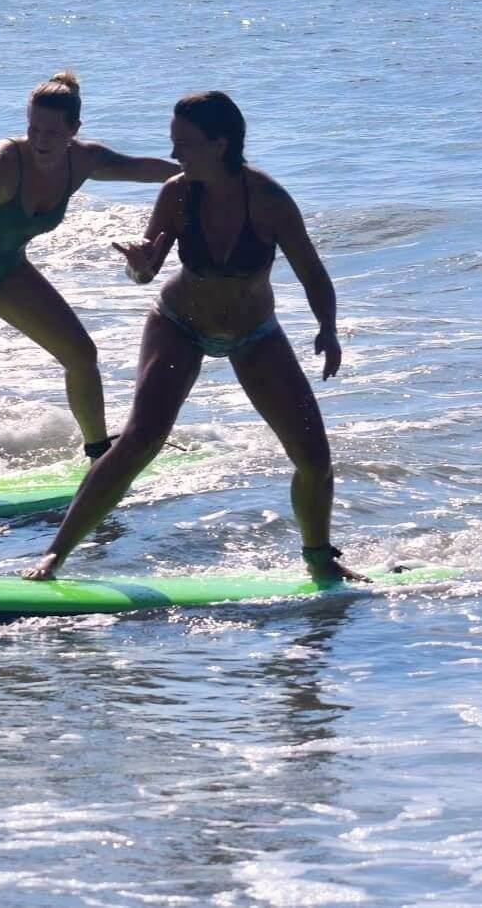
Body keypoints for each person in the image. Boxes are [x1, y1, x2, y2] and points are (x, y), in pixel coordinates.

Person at [22, 90, 368, 583]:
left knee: (314, 457)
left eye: (183, 143)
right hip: (178, 324)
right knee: (140, 440)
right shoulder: (177, 194)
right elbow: (148, 269)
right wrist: (139, 269)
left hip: (254, 334)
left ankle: (320, 559)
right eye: (172, 142)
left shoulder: (268, 199)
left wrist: (328, 329)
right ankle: (56, 553)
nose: (174, 154)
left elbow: (312, 271)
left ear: (220, 143)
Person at [0, 71, 179, 499]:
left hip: (4, 268)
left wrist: (210, 174)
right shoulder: (3, 163)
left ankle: (98, 454)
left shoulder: (84, 160)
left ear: (74, 130)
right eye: (33, 128)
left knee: (81, 354)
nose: (41, 138)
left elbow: (147, 169)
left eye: (51, 131)